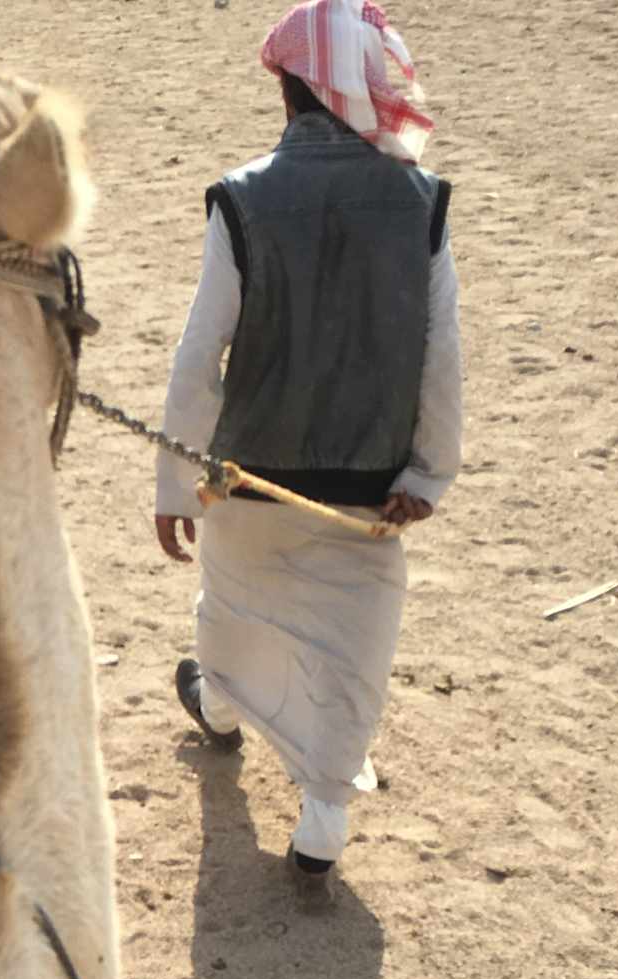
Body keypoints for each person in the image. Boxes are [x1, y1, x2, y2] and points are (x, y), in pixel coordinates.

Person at [153, 0, 462, 906]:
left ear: (291, 92)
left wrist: (175, 479)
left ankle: (217, 708)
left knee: (233, 610)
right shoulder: (421, 201)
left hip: (249, 478)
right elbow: (442, 355)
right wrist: (428, 474)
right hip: (369, 488)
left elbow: (199, 354)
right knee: (350, 645)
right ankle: (323, 822)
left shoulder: (241, 197)